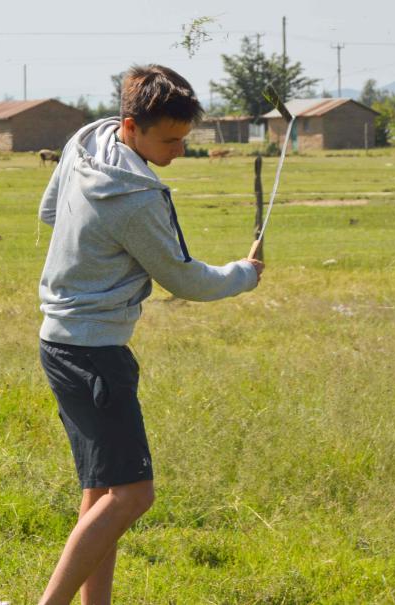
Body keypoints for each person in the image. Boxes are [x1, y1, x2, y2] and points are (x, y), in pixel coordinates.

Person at [35, 65, 264, 604]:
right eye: (171, 140)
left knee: (100, 493)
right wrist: (244, 275)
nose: (181, 150)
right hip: (93, 354)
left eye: (185, 138)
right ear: (132, 126)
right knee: (134, 495)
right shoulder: (135, 198)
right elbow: (184, 279)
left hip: (60, 340)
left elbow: (50, 212)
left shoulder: (87, 138)